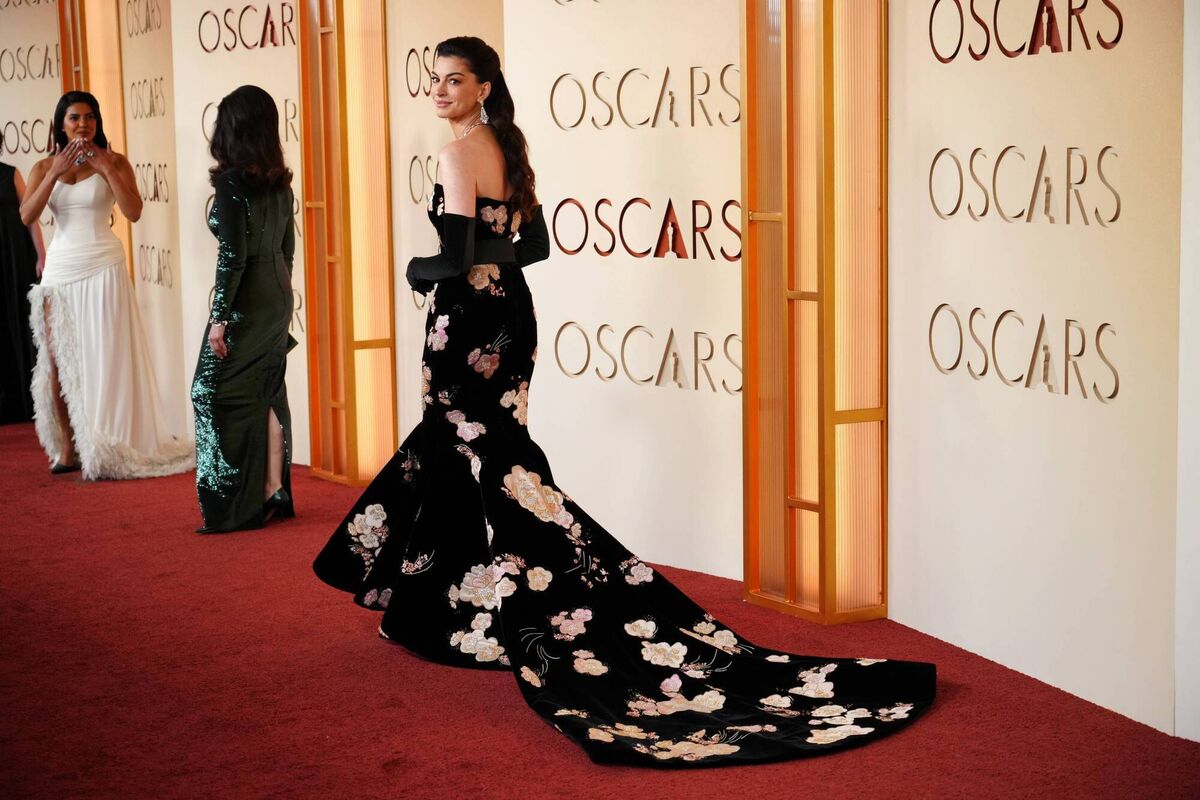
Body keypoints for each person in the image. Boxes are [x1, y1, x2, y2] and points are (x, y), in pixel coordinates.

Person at [313, 36, 935, 767]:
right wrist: (481, 254)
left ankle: (514, 592)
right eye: (435, 80)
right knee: (478, 451)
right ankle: (437, 605)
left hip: (464, 321)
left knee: (484, 457)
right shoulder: (507, 148)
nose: (440, 91)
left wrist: (417, 269)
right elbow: (532, 250)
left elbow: (452, 260)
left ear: (484, 87)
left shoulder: (457, 157)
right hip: (511, 316)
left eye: (454, 80)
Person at [21, 91, 193, 478]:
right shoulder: (42, 166)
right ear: (60, 125)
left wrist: (105, 167)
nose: (83, 124)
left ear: (97, 122)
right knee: (57, 359)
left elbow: (132, 211)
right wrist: (53, 172)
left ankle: (109, 440)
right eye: (74, 118)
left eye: (89, 117)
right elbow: (27, 213)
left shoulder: (115, 161)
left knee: (106, 353)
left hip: (104, 265)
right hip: (61, 271)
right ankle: (69, 447)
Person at [191, 85, 296, 533]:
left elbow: (231, 256)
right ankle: (273, 487)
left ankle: (231, 502)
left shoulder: (232, 184)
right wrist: (280, 297)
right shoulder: (278, 179)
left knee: (206, 390)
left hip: (247, 302)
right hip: (276, 294)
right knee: (266, 388)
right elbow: (287, 248)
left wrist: (219, 318)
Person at [0, 139, 46, 424]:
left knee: (18, 320)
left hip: (14, 259)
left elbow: (30, 217)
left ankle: (24, 399)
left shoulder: (10, 173)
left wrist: (42, 255)